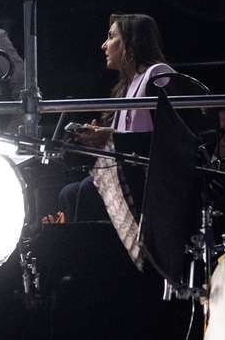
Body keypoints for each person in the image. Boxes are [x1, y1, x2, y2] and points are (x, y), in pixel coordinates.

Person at [57, 14, 175, 223]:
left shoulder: (157, 73)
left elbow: (170, 136)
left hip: (149, 179)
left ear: (131, 43)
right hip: (127, 176)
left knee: (86, 190)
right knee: (69, 192)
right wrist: (96, 138)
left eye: (111, 37)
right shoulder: (126, 87)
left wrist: (110, 136)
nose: (104, 45)